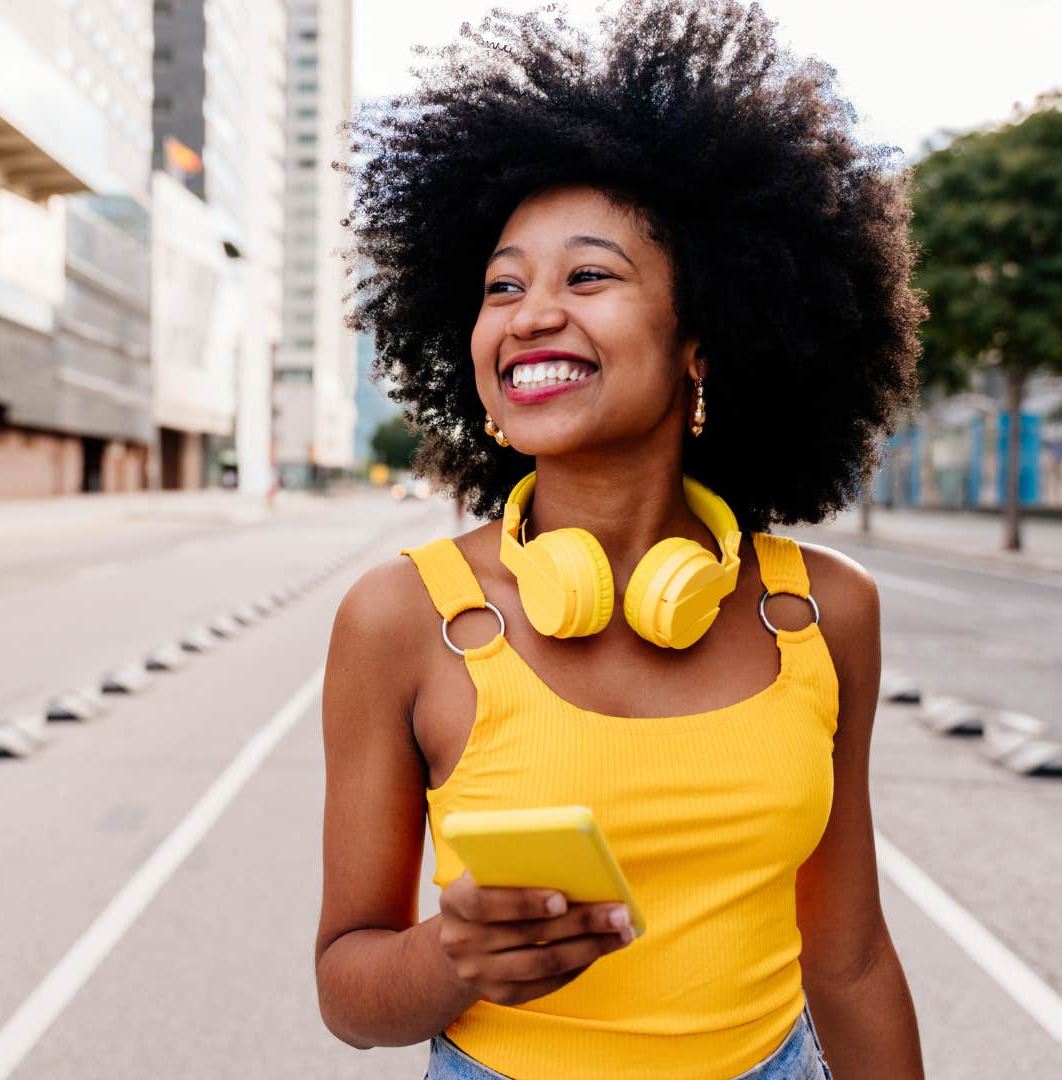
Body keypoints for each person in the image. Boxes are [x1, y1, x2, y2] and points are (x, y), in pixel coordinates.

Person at [316, 3, 926, 1077]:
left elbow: (853, 961)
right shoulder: (401, 618)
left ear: (700, 341)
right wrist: (456, 956)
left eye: (586, 277)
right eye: (503, 285)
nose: (530, 313)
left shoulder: (826, 613)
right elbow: (350, 991)